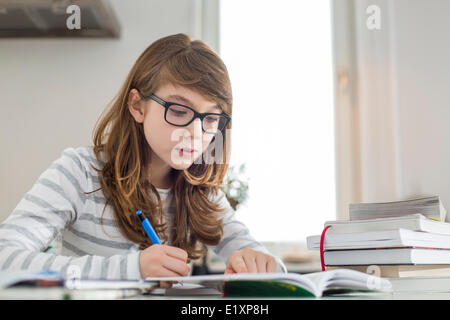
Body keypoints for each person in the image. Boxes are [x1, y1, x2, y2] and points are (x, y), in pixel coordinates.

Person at [0, 34, 286, 286]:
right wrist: (130, 269)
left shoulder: (201, 191)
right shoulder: (79, 172)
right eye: (178, 111)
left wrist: (261, 265)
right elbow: (5, 259)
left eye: (210, 118)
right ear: (137, 106)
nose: (196, 134)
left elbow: (275, 268)